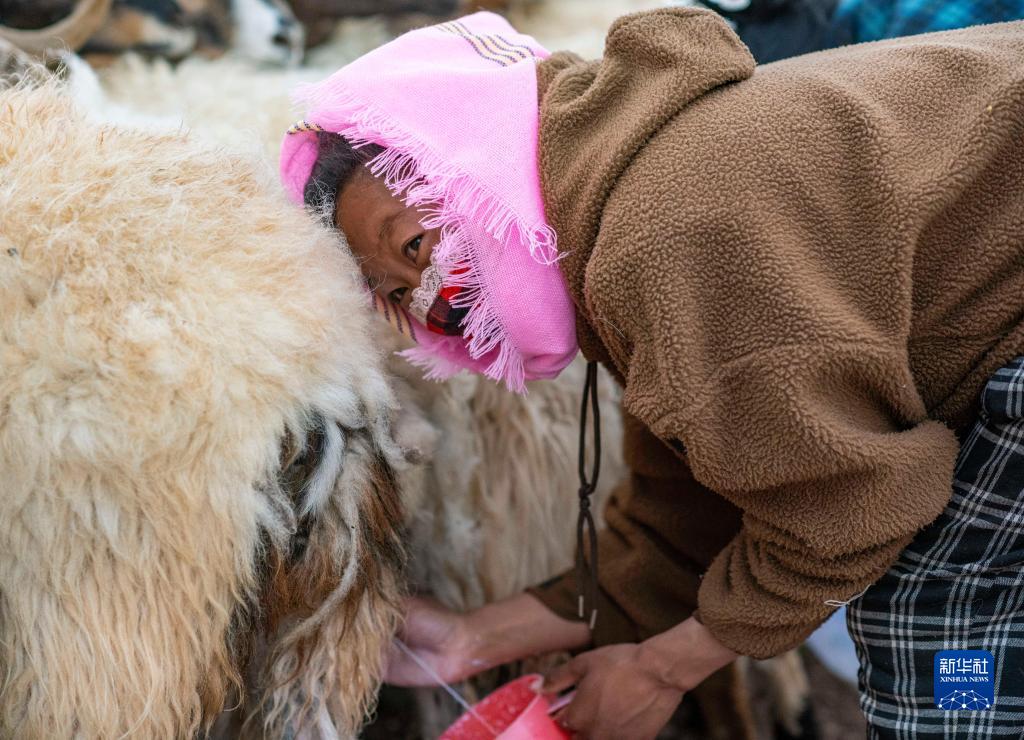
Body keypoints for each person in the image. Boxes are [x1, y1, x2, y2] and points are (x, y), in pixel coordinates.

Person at [280, 9, 1024, 738]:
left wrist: (662, 671)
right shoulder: (628, 214)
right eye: (397, 294)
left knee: (940, 614)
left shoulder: (666, 235)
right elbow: (692, 499)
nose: (431, 298)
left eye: (413, 246)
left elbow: (849, 505)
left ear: (472, 155)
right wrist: (473, 639)